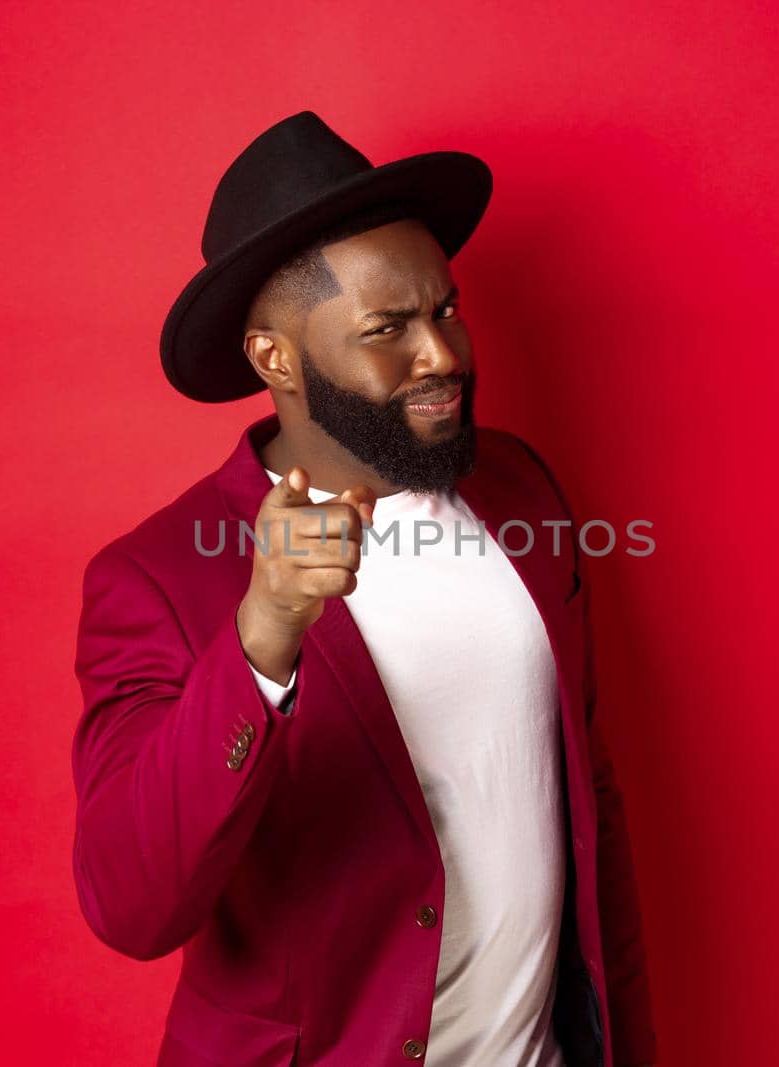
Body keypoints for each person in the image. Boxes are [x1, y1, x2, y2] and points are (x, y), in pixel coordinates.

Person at [70, 110, 657, 1067]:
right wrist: (262, 635)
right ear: (276, 358)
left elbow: (589, 800)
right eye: (389, 328)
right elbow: (131, 904)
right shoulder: (160, 575)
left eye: (446, 311)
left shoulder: (519, 487)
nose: (443, 356)